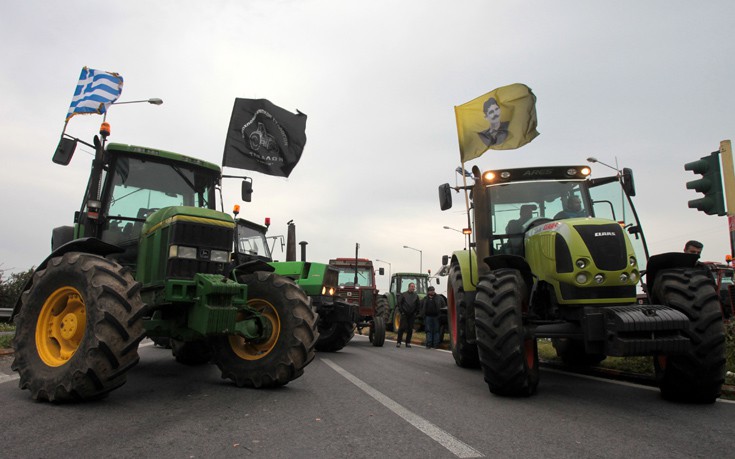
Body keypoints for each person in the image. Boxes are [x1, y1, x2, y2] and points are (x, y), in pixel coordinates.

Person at [396, 282, 420, 348]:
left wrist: (415, 312)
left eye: (414, 287)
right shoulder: (403, 295)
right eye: (412, 286)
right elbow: (399, 304)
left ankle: (408, 342)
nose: (413, 288)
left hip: (412, 315)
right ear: (409, 287)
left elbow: (418, 305)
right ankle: (399, 342)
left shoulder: (416, 296)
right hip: (404, 314)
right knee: (402, 328)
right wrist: (402, 312)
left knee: (410, 329)